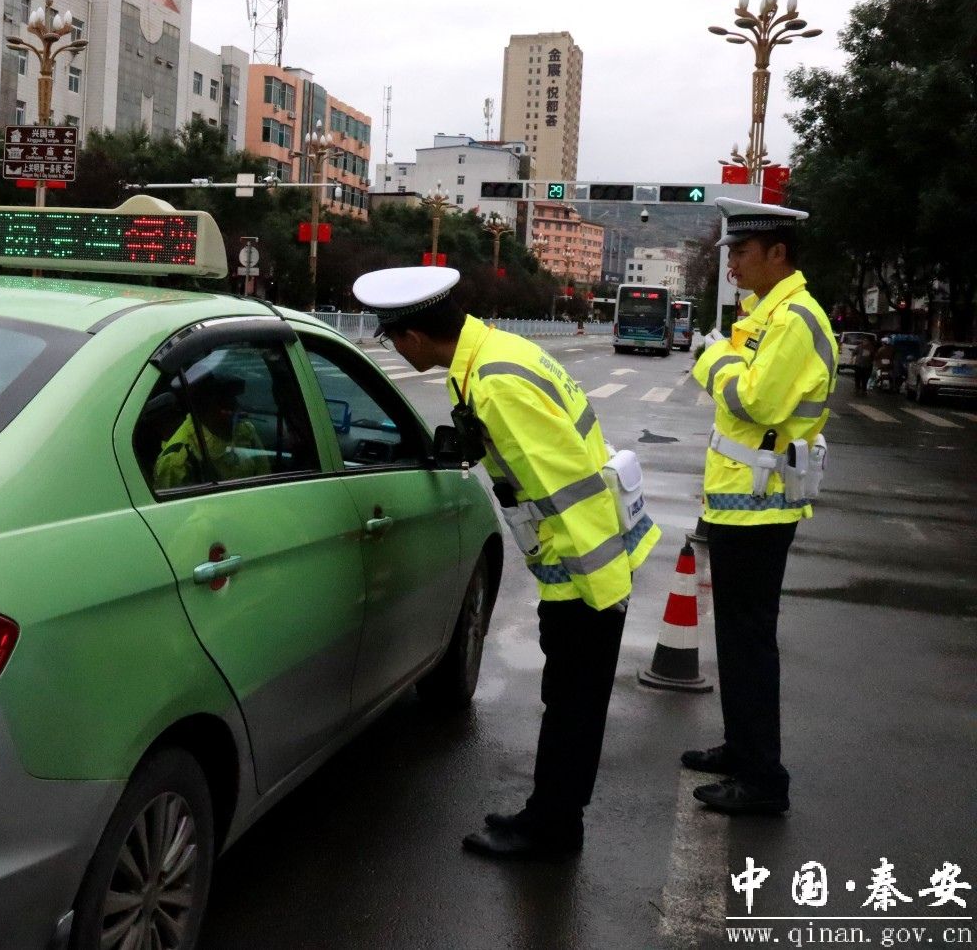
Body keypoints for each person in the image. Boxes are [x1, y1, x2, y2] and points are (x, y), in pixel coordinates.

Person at [354, 265, 661, 860]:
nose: (396, 351)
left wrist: (600, 597)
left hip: (586, 576)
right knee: (571, 701)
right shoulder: (492, 355)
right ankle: (553, 816)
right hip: (586, 564)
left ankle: (552, 829)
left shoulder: (495, 385)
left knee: (572, 704)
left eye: (392, 341)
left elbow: (568, 491)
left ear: (413, 338)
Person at [685, 198, 837, 816]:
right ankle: (742, 748)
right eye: (731, 254)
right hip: (743, 502)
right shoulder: (767, 313)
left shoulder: (794, 320)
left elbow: (755, 403)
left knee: (749, 641)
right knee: (738, 638)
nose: (733, 266)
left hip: (761, 506)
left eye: (742, 253)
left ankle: (763, 779)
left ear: (778, 253)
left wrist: (713, 357)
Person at [153, 372, 269, 489]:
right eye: (223, 401)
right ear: (202, 408)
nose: (235, 406)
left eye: (232, 398)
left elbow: (265, 478)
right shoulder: (177, 459)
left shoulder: (245, 430)